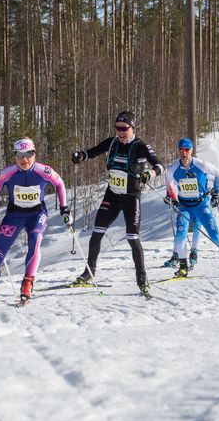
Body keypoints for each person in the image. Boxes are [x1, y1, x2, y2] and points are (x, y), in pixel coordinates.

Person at [70, 111, 164, 296]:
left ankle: (142, 279)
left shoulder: (140, 145)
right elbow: (91, 152)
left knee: (132, 238)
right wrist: (80, 156)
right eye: (117, 128)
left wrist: (150, 174)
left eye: (124, 129)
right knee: (96, 234)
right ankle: (89, 272)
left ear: (132, 128)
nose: (120, 132)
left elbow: (159, 165)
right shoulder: (112, 142)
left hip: (131, 198)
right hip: (112, 196)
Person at [0, 138, 70, 302]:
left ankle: (27, 284)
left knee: (35, 241)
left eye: (29, 154)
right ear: (15, 156)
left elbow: (60, 184)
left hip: (36, 214)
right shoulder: (7, 173)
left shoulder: (44, 171)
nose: (25, 160)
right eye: (20, 155)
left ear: (34, 154)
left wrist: (64, 208)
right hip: (14, 216)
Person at [163, 138, 219, 278]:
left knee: (215, 236)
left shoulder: (202, 165)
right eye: (181, 150)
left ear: (192, 151)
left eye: (187, 150)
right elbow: (169, 185)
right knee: (180, 236)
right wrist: (170, 197)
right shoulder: (172, 169)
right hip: (184, 206)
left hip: (202, 205)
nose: (184, 153)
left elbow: (218, 174)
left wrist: (216, 194)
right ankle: (183, 267)